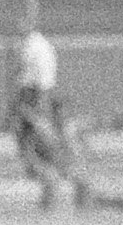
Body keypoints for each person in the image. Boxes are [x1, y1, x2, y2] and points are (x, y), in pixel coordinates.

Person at [8, 20, 91, 208]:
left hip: (38, 110)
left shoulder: (37, 51)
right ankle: (62, 195)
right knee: (50, 167)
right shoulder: (34, 49)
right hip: (36, 114)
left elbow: (40, 90)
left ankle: (75, 196)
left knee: (57, 167)